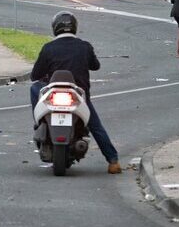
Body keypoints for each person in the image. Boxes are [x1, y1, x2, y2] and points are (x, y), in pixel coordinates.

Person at [29, 11, 122, 174]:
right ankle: (113, 161)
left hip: (53, 96)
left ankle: (39, 120)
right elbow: (95, 65)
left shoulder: (48, 48)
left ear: (55, 28)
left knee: (34, 88)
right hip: (79, 96)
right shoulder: (84, 46)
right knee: (95, 126)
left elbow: (34, 76)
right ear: (75, 27)